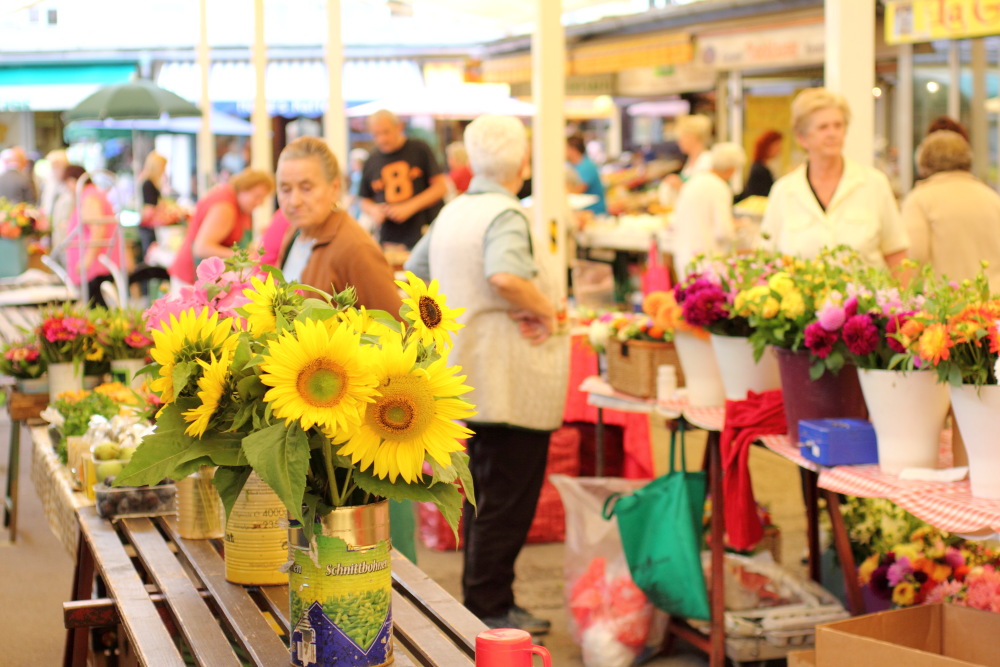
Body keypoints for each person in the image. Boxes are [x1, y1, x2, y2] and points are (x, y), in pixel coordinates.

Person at [405, 114, 568, 634]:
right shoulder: (506, 214)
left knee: (482, 496)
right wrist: (546, 310)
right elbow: (506, 276)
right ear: (522, 162)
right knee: (506, 500)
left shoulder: (453, 212)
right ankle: (489, 606)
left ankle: (486, 597)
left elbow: (414, 274)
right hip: (510, 379)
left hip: (466, 374)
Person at [761, 87, 908, 269]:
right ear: (802, 138)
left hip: (864, 297)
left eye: (838, 125)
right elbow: (767, 259)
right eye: (823, 127)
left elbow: (896, 253)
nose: (832, 133)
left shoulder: (874, 184)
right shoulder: (783, 191)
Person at [275, 136, 402, 314]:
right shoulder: (295, 233)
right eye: (285, 189)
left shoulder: (356, 248)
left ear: (334, 188)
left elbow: (397, 326)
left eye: (306, 188)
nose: (294, 201)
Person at [901, 130, 1000, 291]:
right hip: (994, 305)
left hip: (949, 304)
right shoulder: (993, 198)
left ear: (923, 161)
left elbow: (914, 260)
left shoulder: (920, 200)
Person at [358, 110, 447, 250]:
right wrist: (375, 210)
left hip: (424, 233)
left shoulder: (419, 149)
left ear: (399, 127)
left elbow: (440, 187)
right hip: (390, 238)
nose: (382, 139)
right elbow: (364, 199)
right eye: (376, 134)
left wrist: (410, 206)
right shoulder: (371, 159)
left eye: (386, 132)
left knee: (417, 272)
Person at [168, 168, 274, 286]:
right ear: (244, 188)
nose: (260, 203)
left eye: (263, 198)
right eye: (257, 196)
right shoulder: (225, 207)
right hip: (190, 279)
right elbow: (201, 248)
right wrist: (244, 257)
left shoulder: (240, 206)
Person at [672, 142, 746, 273]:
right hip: (707, 260)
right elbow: (723, 231)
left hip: (683, 256)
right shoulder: (719, 187)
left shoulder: (693, 181)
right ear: (731, 168)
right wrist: (737, 227)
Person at [64, 166, 122, 295]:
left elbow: (98, 228)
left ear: (72, 181)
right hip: (97, 265)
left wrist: (87, 260)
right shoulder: (93, 194)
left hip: (95, 268)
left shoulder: (90, 196)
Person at [658, 114, 714, 207]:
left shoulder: (707, 160)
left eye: (682, 138)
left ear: (692, 138)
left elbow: (704, 195)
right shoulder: (691, 160)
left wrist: (680, 185)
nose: (679, 142)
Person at [736, 130, 782, 202]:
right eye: (776, 145)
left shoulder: (763, 166)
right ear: (767, 147)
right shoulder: (760, 169)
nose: (779, 149)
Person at [566, 134, 607, 215]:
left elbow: (577, 191)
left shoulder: (586, 166)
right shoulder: (572, 166)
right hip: (583, 212)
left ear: (573, 149)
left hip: (594, 212)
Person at [138, 151, 168, 258]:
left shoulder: (150, 182)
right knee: (151, 254)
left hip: (149, 224)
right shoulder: (148, 184)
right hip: (148, 226)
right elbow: (149, 209)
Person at [38, 149, 69, 220]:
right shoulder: (49, 183)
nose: (53, 170)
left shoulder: (69, 185)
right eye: (52, 166)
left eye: (57, 166)